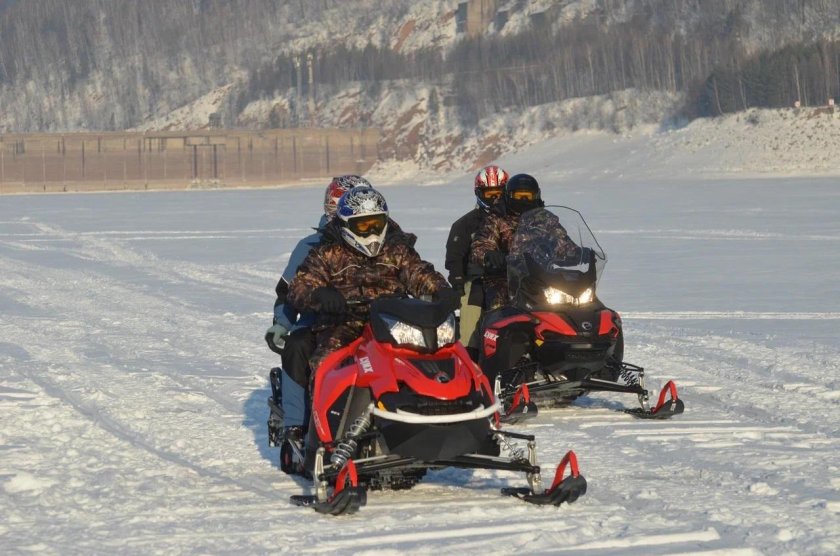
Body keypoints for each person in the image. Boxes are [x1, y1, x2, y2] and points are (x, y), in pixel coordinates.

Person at [288, 186, 460, 375]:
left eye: (376, 224)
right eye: (363, 226)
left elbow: (419, 272)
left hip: (395, 319)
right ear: (347, 226)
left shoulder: (397, 250)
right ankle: (323, 404)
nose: (371, 232)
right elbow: (301, 285)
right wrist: (319, 294)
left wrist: (442, 290)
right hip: (344, 322)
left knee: (433, 352)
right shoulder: (327, 253)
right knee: (326, 363)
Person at [265, 175, 370, 444]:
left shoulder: (382, 243)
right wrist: (282, 324)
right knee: (298, 346)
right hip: (318, 321)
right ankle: (297, 425)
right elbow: (288, 292)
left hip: (372, 319)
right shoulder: (311, 246)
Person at [444, 165, 509, 359]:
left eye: (499, 193)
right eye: (489, 193)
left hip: (513, 280)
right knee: (470, 315)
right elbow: (454, 258)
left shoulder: (515, 220)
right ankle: (469, 360)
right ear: (479, 193)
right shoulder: (465, 224)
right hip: (477, 281)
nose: (494, 198)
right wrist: (457, 285)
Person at [469, 173, 546, 311]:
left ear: (536, 196)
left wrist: (578, 252)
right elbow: (480, 245)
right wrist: (490, 256)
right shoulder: (496, 219)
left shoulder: (545, 219)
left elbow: (562, 241)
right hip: (505, 279)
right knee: (500, 307)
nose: (523, 200)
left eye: (527, 196)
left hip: (541, 277)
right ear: (509, 196)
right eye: (518, 196)